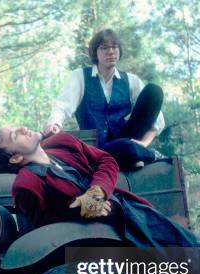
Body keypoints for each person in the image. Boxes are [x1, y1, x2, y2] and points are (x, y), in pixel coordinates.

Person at [0, 126, 200, 274]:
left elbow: (107, 160)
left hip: (130, 210)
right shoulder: (26, 184)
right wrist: (81, 208)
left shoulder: (63, 142)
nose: (22, 129)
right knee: (187, 261)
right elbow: (41, 227)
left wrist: (96, 192)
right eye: (15, 136)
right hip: (108, 237)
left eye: (16, 126)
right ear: (16, 157)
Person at [42, 29, 165, 170]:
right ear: (95, 52)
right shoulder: (80, 77)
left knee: (154, 91)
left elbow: (157, 119)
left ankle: (138, 151)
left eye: (114, 47)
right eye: (104, 48)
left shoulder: (131, 80)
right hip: (95, 149)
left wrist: (143, 143)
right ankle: (145, 155)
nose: (111, 52)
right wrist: (55, 124)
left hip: (126, 139)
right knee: (126, 147)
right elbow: (63, 106)